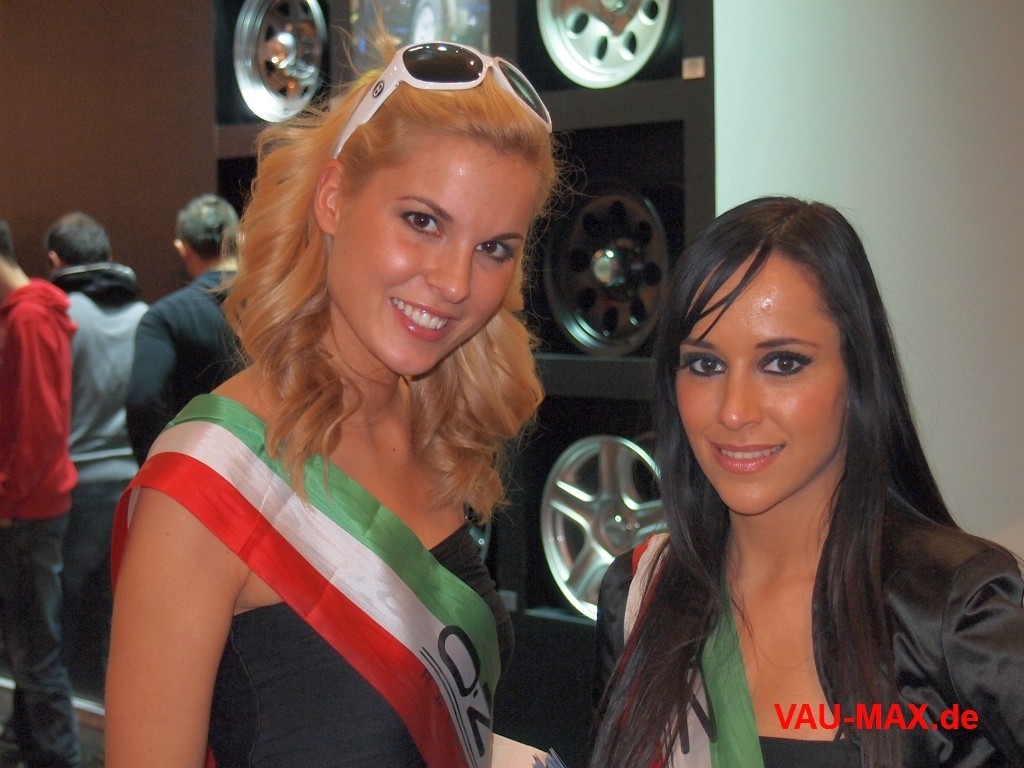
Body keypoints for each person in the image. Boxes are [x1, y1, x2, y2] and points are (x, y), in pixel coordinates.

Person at [105, 39, 560, 768]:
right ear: (333, 198)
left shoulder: (433, 433)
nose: (454, 282)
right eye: (423, 221)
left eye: (494, 249)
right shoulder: (205, 488)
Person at [591, 197, 1024, 768]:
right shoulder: (641, 594)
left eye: (783, 363)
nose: (735, 411)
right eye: (705, 364)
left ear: (857, 373)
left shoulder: (952, 611)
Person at [46, 211, 148, 692]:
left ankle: (71, 710)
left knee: (65, 611)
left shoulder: (62, 317)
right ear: (107, 255)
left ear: (55, 261)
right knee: (118, 611)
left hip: (76, 483)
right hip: (133, 482)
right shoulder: (144, 316)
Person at [0, 218, 83, 767]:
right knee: (30, 652)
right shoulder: (26, 313)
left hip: (27, 512)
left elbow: (38, 427)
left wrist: (7, 502)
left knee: (36, 657)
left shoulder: (28, 317)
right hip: (32, 506)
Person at [125, 192, 240, 464]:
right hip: (279, 469)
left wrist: (162, 465)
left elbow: (144, 399)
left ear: (183, 249)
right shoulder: (279, 306)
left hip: (200, 466)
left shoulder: (166, 317)